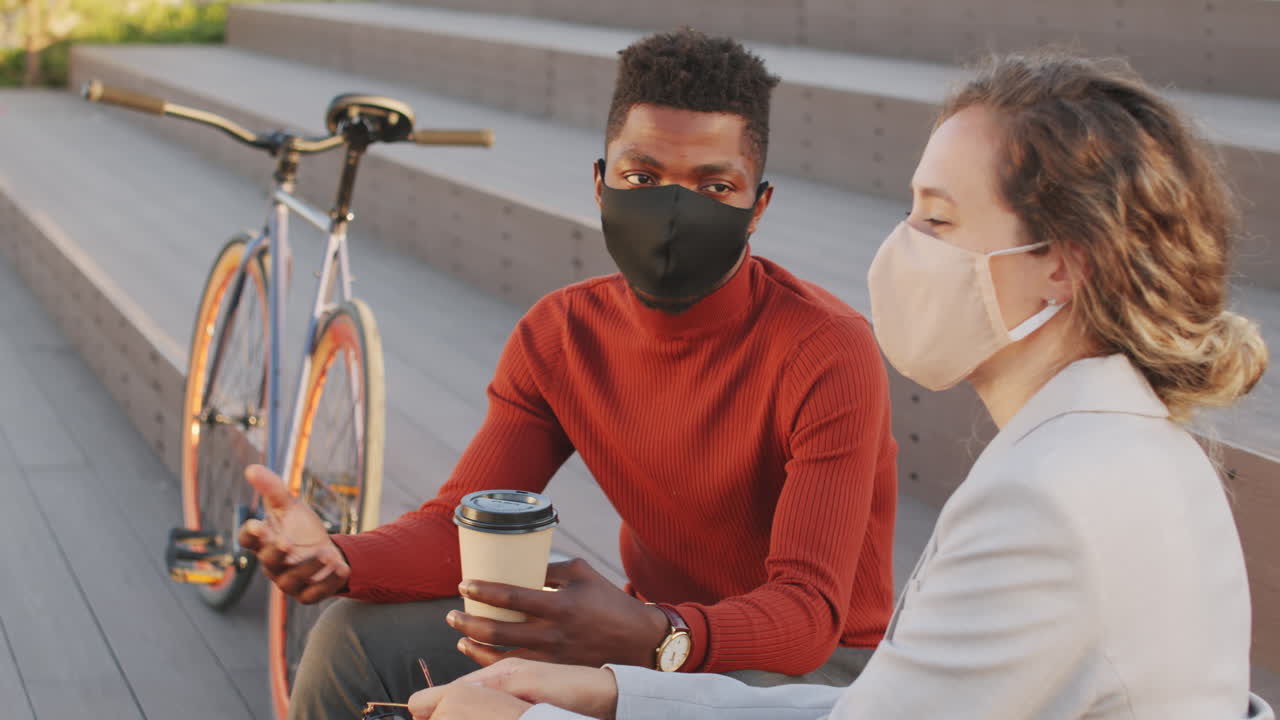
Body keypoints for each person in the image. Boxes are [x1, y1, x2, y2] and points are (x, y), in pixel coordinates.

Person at [403, 52, 1275, 720]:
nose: (900, 247)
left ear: (1060, 267)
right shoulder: (1127, 447)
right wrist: (600, 693)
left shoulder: (1048, 499)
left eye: (936, 219)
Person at [238, 27, 900, 720]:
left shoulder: (827, 352)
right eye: (642, 178)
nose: (674, 211)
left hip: (810, 674)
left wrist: (657, 637)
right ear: (600, 183)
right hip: (645, 637)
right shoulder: (562, 337)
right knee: (354, 642)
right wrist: (342, 560)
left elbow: (808, 615)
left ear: (757, 208)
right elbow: (461, 529)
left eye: (714, 185)